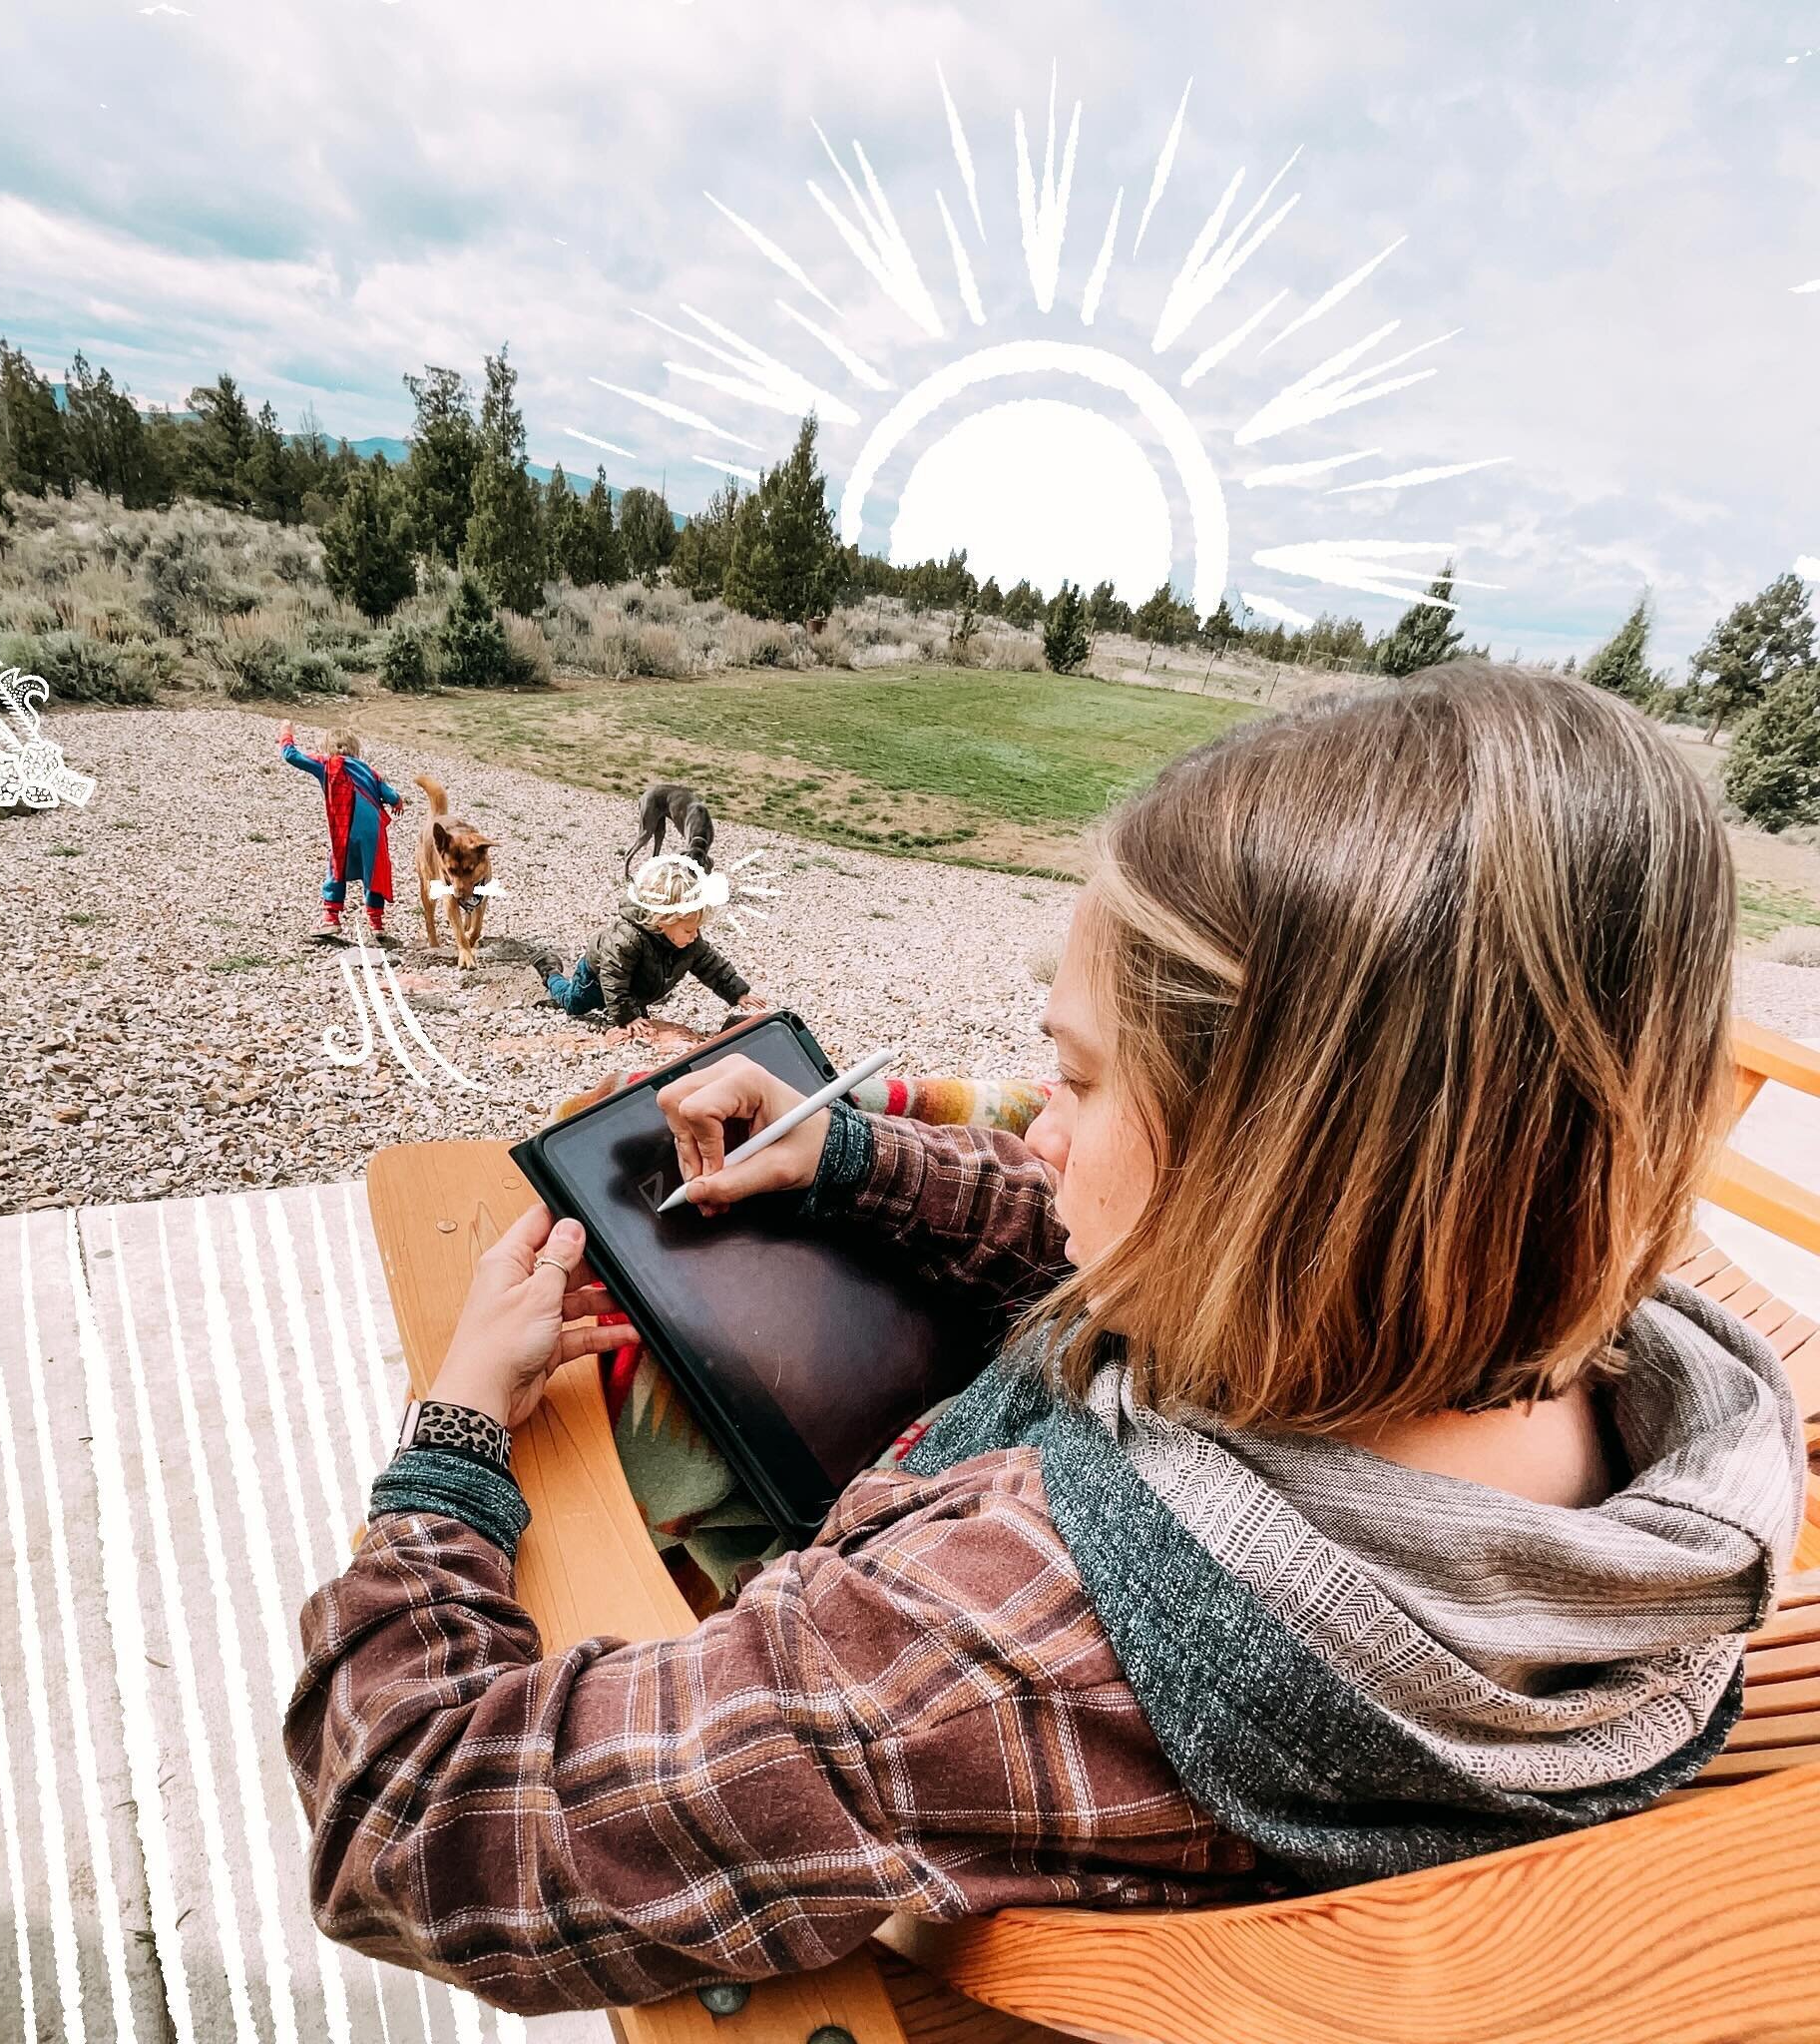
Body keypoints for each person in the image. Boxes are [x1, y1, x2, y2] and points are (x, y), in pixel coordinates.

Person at [285, 665, 1806, 2015]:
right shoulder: (1652, 1398)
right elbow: (1152, 1246)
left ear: (1269, 1182)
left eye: (1071, 1081)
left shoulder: (998, 1640)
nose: (1036, 1128)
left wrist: (460, 1440)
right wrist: (855, 1158)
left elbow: (415, 1830)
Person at [533, 852, 768, 1041]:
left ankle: (623, 1009)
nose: (694, 935)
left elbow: (712, 966)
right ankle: (550, 971)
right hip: (596, 977)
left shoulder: (688, 942)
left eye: (696, 929)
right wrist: (626, 1018)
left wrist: (738, 993)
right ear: (663, 921)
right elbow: (613, 979)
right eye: (688, 930)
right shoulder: (627, 939)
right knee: (574, 1004)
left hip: (638, 987)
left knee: (636, 1015)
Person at [277, 721, 406, 946]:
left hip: (345, 826)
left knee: (337, 866)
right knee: (373, 871)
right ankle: (377, 925)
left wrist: (286, 732)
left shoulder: (327, 763)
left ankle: (331, 917)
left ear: (328, 748)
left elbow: (290, 755)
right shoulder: (369, 770)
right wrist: (397, 804)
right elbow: (392, 795)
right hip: (373, 830)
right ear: (355, 750)